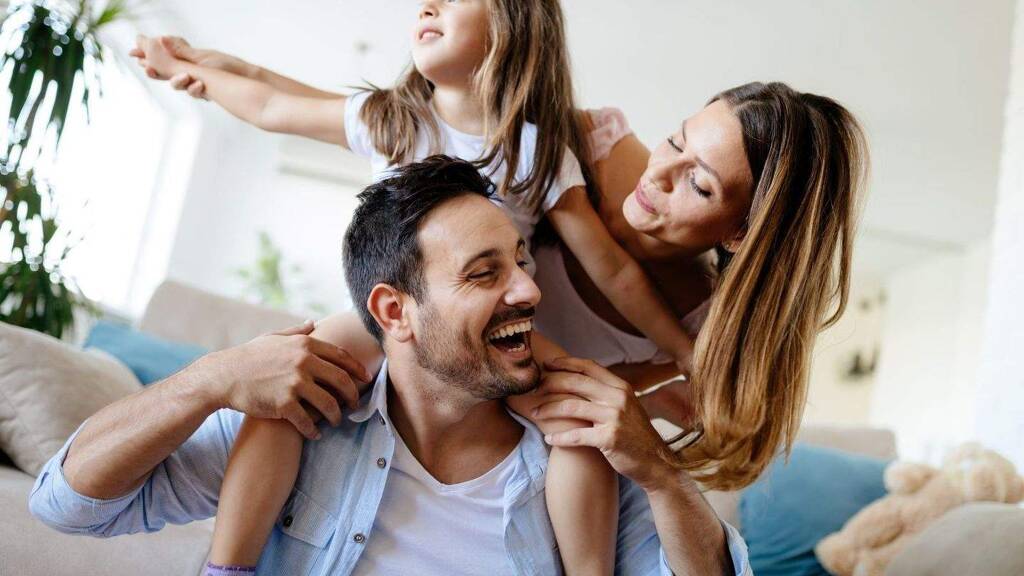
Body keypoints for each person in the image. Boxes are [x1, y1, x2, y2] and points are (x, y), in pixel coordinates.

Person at [130, 1, 693, 571]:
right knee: (290, 386)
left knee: (579, 418)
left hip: (481, 335)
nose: (428, 5)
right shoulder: (394, 119)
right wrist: (197, 73)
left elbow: (611, 269)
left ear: (511, 27)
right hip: (378, 321)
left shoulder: (534, 151)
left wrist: (684, 351)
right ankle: (228, 564)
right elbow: (271, 104)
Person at [29, 156, 751, 576]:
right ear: (394, 311)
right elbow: (66, 504)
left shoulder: (580, 456)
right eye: (484, 273)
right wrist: (209, 379)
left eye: (522, 263)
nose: (530, 292)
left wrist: (661, 473)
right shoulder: (309, 423)